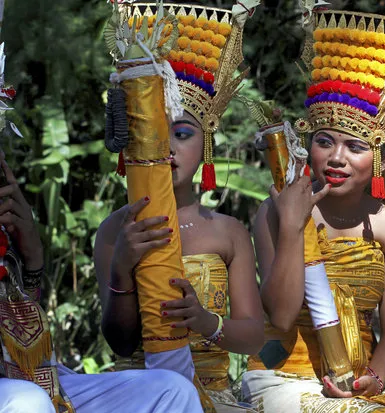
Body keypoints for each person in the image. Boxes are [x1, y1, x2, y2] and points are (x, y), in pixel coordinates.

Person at [241, 6, 385, 413]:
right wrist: (292, 228)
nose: (336, 158)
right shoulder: (275, 211)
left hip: (359, 376)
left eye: (355, 146)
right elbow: (280, 317)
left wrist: (377, 378)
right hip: (281, 374)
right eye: (324, 141)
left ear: (382, 158)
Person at [94, 3, 263, 412]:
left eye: (183, 133)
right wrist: (122, 268)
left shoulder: (228, 231)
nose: (167, 147)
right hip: (142, 394)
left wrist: (206, 323)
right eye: (153, 133)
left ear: (204, 144)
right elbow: (119, 342)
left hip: (213, 398)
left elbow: (254, 335)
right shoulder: (115, 231)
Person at [0, 150, 202, 413]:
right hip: (21, 393)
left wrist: (32, 256)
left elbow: (23, 333)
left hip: (31, 379)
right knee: (28, 401)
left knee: (173, 390)